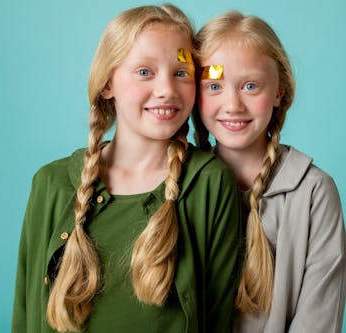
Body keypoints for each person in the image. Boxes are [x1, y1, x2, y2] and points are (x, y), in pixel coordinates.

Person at [12, 5, 241, 333]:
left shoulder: (209, 184)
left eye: (181, 72)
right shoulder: (51, 184)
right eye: (145, 72)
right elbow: (26, 315)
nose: (166, 89)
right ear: (107, 84)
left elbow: (217, 320)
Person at [192, 11, 346, 333]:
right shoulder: (177, 184)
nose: (233, 104)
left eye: (251, 86)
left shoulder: (313, 193)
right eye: (214, 86)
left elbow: (317, 321)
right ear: (194, 94)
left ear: (279, 92)